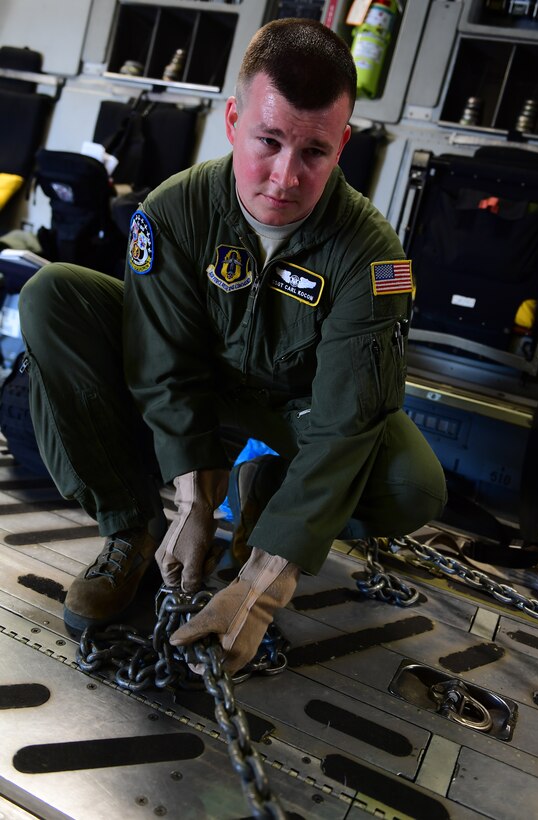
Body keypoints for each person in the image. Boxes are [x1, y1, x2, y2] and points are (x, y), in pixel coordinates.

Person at [19, 18, 447, 672]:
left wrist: (263, 585)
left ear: (343, 145)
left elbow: (346, 421)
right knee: (52, 295)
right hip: (199, 390)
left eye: (314, 153)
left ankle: (267, 496)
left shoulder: (373, 261)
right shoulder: (172, 214)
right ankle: (132, 530)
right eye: (268, 141)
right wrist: (190, 498)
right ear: (232, 120)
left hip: (293, 412)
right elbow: (163, 369)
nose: (284, 177)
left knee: (413, 485)